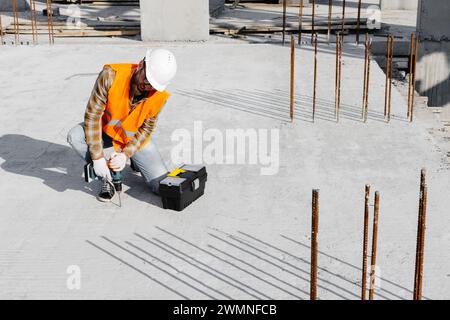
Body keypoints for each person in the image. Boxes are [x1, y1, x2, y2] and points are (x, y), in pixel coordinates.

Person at [67, 49, 177, 202]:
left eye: (152, 85)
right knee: (75, 136)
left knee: (161, 187)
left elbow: (147, 129)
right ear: (140, 65)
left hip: (132, 137)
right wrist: (98, 158)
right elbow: (93, 117)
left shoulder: (159, 96)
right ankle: (106, 177)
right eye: (146, 80)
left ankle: (134, 160)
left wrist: (126, 154)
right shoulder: (110, 76)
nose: (147, 87)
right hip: (106, 130)